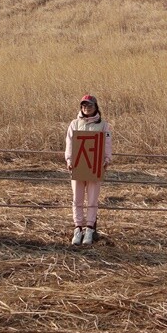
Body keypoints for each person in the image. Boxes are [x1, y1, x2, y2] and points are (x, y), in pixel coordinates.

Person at [64, 95, 112, 245]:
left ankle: (90, 229)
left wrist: (106, 160)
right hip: (78, 166)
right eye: (84, 105)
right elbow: (69, 143)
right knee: (77, 199)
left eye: (90, 105)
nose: (86, 108)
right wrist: (69, 160)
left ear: (96, 106)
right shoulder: (74, 124)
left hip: (95, 167)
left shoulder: (103, 125)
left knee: (92, 200)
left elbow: (107, 143)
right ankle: (78, 228)